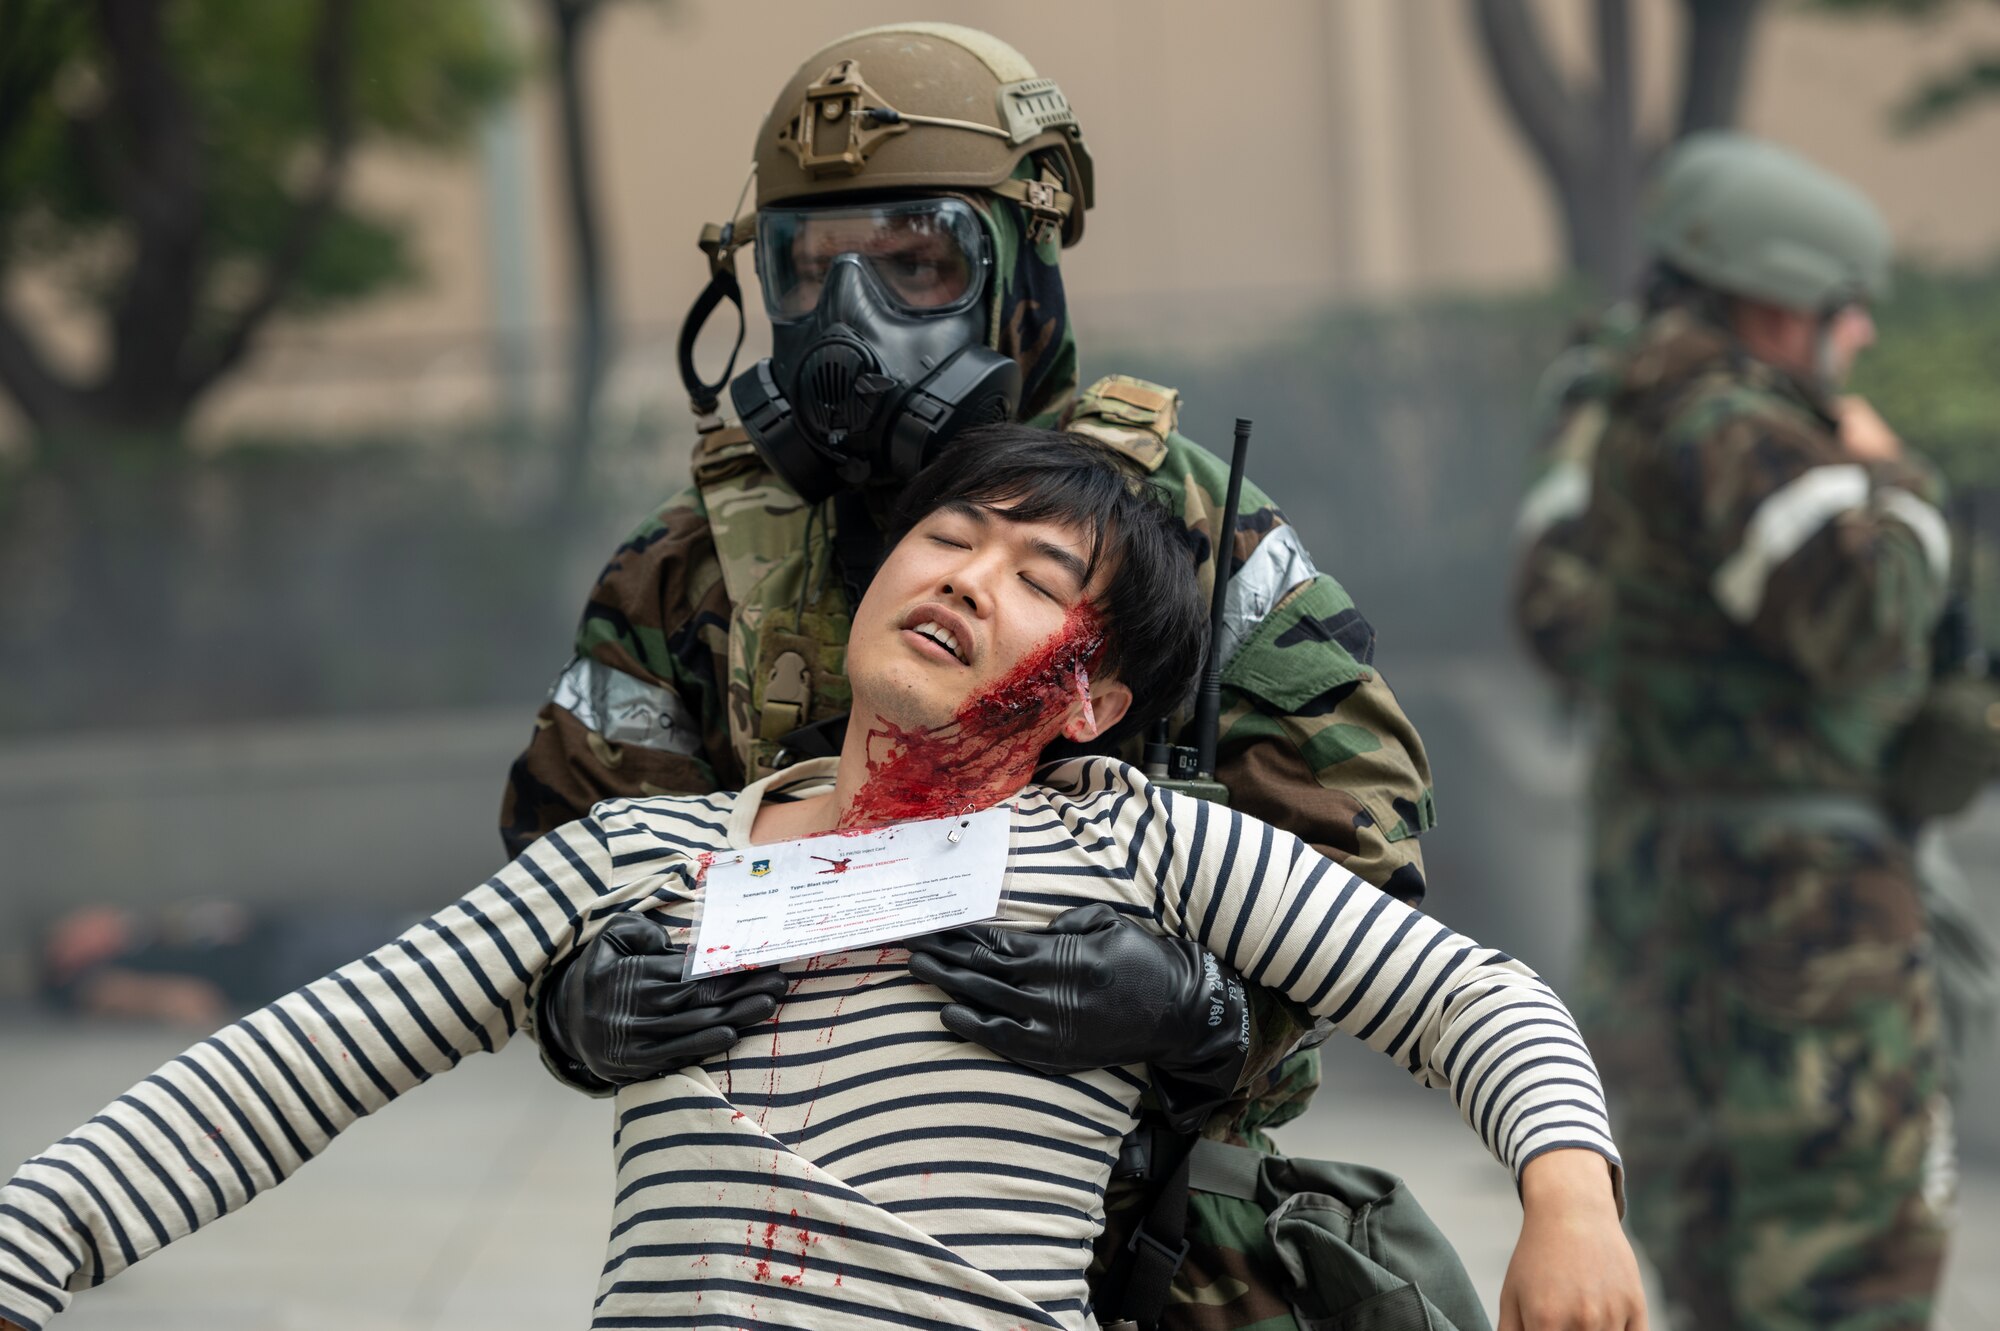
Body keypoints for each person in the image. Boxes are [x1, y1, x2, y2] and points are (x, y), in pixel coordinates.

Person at [0, 428, 1646, 1331]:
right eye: (948, 537)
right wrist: (28, 1245)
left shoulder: (1125, 842)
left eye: (1036, 576)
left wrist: (1569, 1195)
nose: (966, 575)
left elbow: (1469, 994)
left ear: (1091, 698)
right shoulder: (644, 856)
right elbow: (287, 1067)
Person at [501, 24, 1439, 1321]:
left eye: (916, 264)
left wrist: (1204, 1005)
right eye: (811, 267)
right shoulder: (696, 563)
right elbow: (566, 870)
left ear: (1023, 273)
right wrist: (581, 1000)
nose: (852, 319)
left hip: (1157, 1235)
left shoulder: (1178, 526)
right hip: (797, 1234)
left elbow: (1371, 845)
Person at [1533, 135, 1962, 1329]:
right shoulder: (1738, 424)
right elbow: (1862, 618)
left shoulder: (1610, 401)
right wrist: (1903, 490)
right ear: (1775, 303)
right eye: (1844, 310)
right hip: (1806, 923)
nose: (1858, 336)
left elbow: (1555, 614)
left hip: (1662, 899)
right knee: (1849, 1259)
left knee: (1713, 1255)